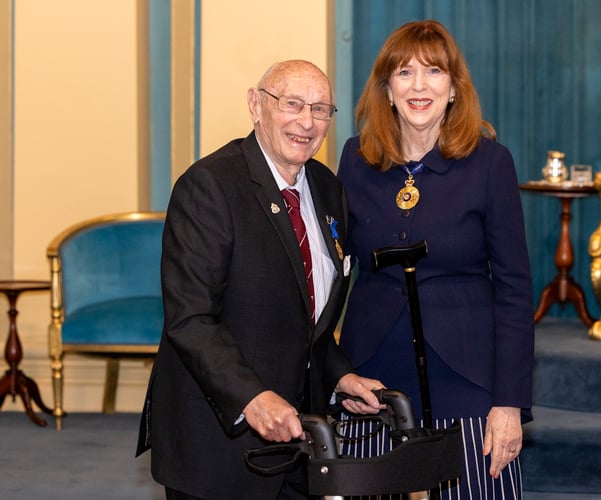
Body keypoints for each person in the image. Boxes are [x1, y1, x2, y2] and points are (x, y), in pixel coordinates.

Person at [136, 59, 384, 500]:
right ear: (256, 105)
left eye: (321, 109)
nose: (306, 122)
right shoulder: (210, 186)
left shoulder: (329, 190)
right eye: (292, 104)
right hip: (220, 442)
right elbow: (190, 320)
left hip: (302, 440)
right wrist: (254, 398)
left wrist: (342, 376)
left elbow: (309, 321)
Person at [336, 20, 535, 498]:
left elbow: (514, 289)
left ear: (453, 89)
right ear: (386, 89)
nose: (419, 86)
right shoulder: (355, 160)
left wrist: (509, 402)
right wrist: (334, 373)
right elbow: (332, 276)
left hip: (467, 378)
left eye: (433, 72)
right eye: (404, 73)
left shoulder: (491, 163)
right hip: (371, 376)